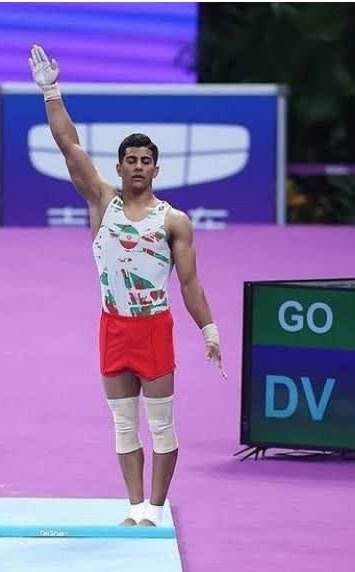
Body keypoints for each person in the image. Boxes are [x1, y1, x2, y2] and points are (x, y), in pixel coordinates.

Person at [28, 45, 226, 527]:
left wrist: (209, 330)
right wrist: (51, 92)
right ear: (118, 168)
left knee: (161, 426)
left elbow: (190, 281)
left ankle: (156, 508)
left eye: (145, 160)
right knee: (123, 425)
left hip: (153, 327)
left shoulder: (173, 221)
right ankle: (135, 506)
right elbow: (69, 146)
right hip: (114, 326)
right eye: (130, 160)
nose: (138, 166)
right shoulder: (102, 203)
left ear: (156, 169)